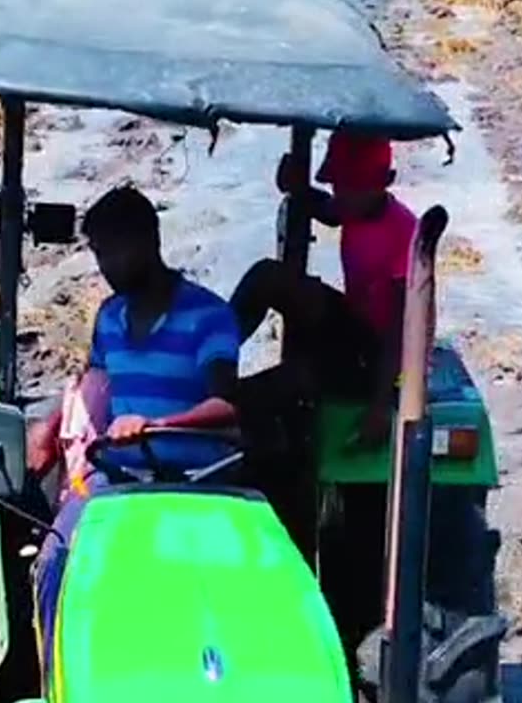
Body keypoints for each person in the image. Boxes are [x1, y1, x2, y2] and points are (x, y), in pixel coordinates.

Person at [25, 184, 241, 682]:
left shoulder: (207, 316)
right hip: (119, 478)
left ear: (148, 241)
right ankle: (60, 678)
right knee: (57, 554)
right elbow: (92, 383)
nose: (104, 267)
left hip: (198, 477)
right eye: (98, 253)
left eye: (111, 252)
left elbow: (227, 407)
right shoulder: (109, 318)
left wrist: (159, 424)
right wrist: (50, 428)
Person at [230, 131, 417, 447]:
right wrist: (297, 186)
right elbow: (327, 210)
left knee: (295, 378)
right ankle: (210, 353)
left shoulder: (404, 233)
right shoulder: (353, 206)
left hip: (382, 357)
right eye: (339, 185)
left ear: (387, 180)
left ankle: (227, 403)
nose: (342, 195)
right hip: (354, 327)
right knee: (268, 277)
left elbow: (402, 328)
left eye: (353, 187)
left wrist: (381, 405)